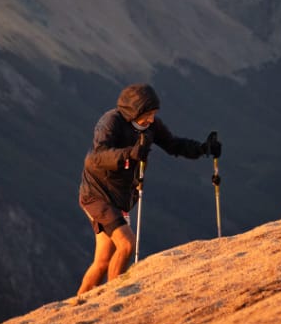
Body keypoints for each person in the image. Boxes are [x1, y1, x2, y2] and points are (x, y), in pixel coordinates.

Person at [76, 83, 221, 296]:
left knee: (103, 260)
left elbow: (173, 145)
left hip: (118, 197)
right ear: (134, 111)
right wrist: (131, 154)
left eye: (153, 114)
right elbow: (96, 159)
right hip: (96, 195)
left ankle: (77, 304)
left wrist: (202, 149)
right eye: (148, 114)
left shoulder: (150, 127)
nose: (151, 119)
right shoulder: (110, 122)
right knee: (126, 244)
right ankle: (113, 300)